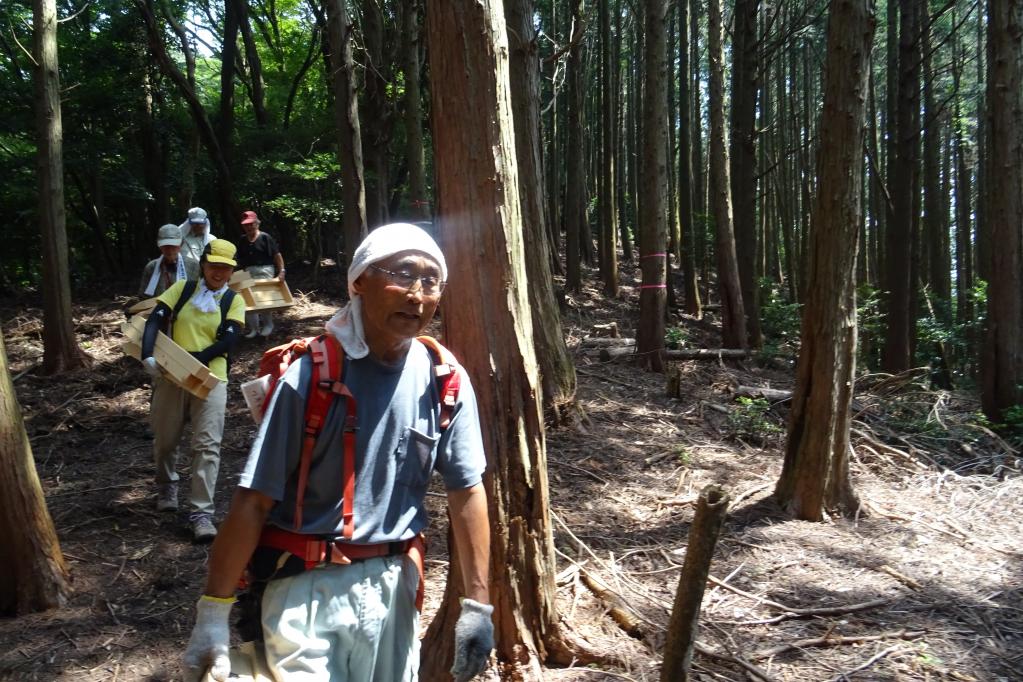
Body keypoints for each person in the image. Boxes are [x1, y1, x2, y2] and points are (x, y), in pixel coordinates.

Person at [182, 223, 494, 682]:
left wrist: (477, 607)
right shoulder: (309, 377)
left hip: (394, 588)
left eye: (431, 281)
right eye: (403, 273)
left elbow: (467, 491)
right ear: (359, 282)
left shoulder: (445, 380)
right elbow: (254, 500)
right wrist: (212, 613)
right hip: (303, 590)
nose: (418, 293)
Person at [139, 239, 246, 543]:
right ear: (204, 265)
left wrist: (195, 362)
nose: (219, 272)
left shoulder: (233, 301)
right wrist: (148, 354)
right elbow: (156, 319)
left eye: (225, 268)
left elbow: (227, 342)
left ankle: (202, 513)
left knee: (207, 445)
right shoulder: (183, 290)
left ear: (231, 272)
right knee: (165, 439)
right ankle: (166, 484)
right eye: (214, 266)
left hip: (212, 379)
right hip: (172, 376)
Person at [234, 210, 285, 338]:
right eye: (246, 224)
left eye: (251, 224)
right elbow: (238, 259)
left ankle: (268, 325)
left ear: (257, 223)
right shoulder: (242, 240)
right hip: (247, 271)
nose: (249, 227)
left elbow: (277, 255)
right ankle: (253, 329)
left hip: (264, 270)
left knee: (263, 298)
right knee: (246, 299)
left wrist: (282, 271)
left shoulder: (265, 237)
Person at [137, 224, 200, 298]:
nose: (170, 250)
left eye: (173, 246)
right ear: (159, 246)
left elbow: (199, 294)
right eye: (166, 246)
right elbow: (143, 296)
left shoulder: (193, 266)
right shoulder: (151, 267)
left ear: (181, 244)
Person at [179, 207, 216, 273]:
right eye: (195, 223)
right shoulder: (182, 240)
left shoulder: (212, 239)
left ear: (205, 222)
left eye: (200, 223)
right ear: (189, 223)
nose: (198, 226)